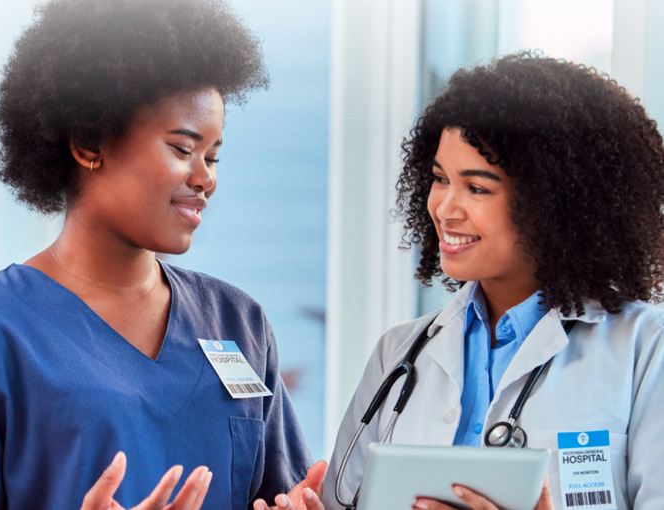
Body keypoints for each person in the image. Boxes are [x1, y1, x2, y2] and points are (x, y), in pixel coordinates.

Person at [0, 0, 322, 508]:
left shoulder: (238, 324)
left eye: (213, 156)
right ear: (88, 142)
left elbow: (281, 492)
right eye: (183, 150)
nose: (205, 178)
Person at [258, 52, 664, 510]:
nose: (446, 208)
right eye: (439, 179)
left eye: (477, 187)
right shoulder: (399, 352)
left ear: (555, 204)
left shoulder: (647, 350)